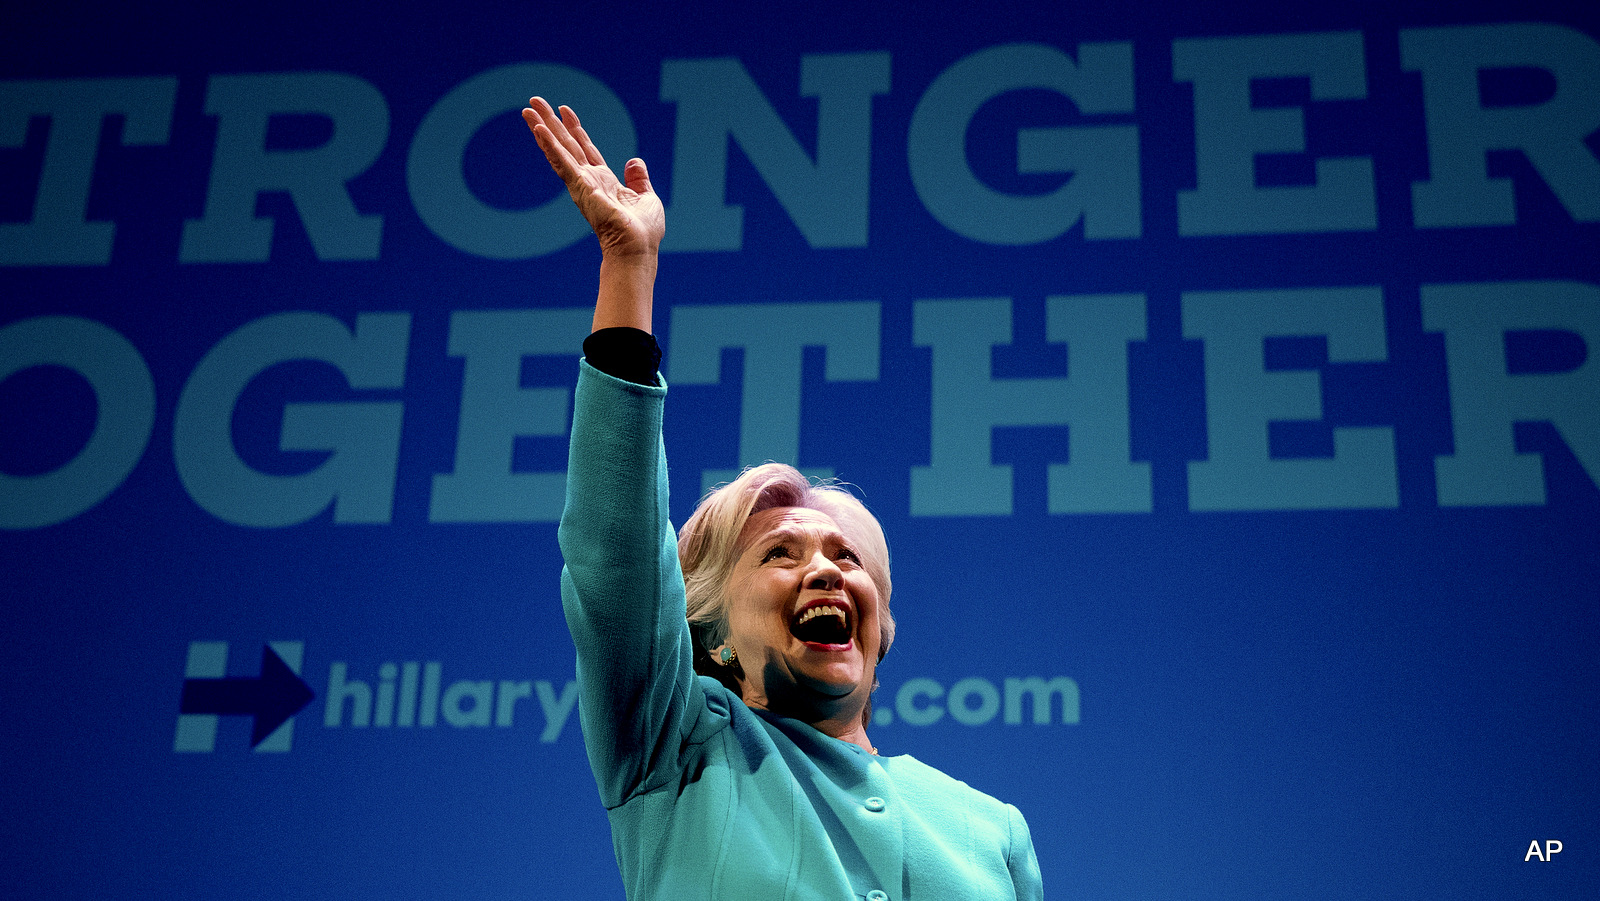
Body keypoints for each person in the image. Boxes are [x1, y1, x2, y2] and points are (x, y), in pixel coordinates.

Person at [526, 95, 1043, 901]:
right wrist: (629, 269)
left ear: (880, 641)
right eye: (780, 553)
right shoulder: (677, 743)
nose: (828, 571)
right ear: (714, 635)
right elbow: (617, 548)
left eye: (847, 556)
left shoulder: (988, 829)